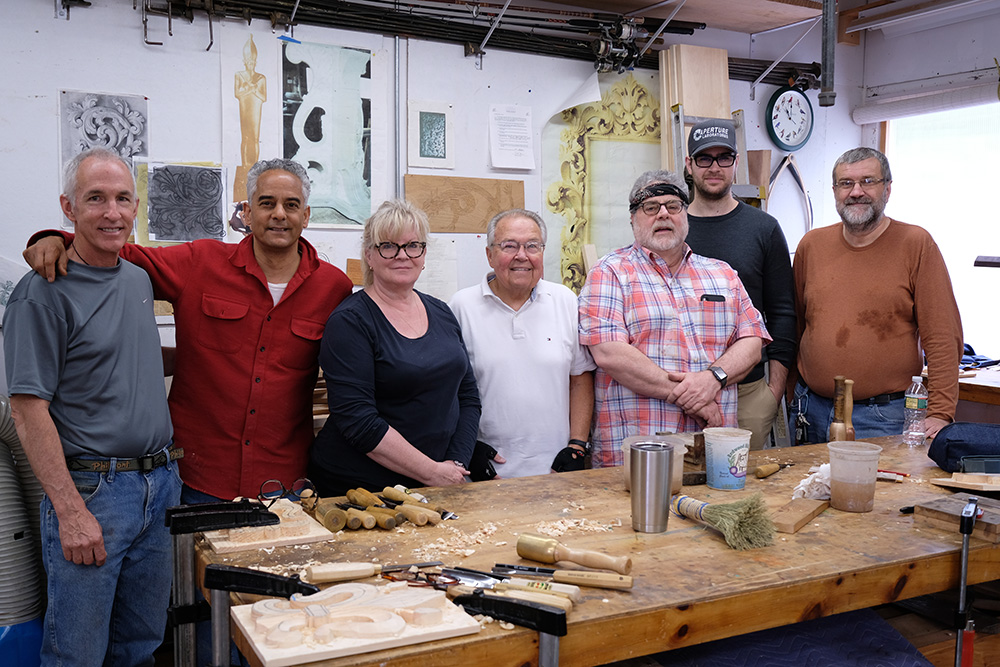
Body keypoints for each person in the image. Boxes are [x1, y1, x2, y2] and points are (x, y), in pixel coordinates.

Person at [22, 158, 354, 503]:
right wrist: (57, 238)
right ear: (248, 211)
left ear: (307, 215)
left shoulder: (334, 289)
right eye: (267, 203)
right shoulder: (201, 263)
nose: (279, 214)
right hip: (193, 479)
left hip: (285, 482)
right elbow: (121, 252)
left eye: (292, 205)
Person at [4, 148, 181, 665]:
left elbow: (124, 361)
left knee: (141, 645)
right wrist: (70, 512)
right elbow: (26, 409)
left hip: (160, 484)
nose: (112, 212)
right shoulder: (42, 293)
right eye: (95, 199)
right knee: (76, 654)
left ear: (135, 205)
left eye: (123, 199)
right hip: (94, 492)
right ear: (68, 207)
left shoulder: (137, 280)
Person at [578, 170, 771, 468]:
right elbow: (609, 353)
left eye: (673, 205)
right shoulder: (610, 272)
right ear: (633, 219)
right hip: (637, 451)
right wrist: (696, 399)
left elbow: (752, 341)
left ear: (686, 215)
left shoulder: (723, 274)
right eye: (651, 207)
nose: (663, 214)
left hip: (713, 450)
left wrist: (712, 379)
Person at [790, 147, 963, 443]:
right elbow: (796, 326)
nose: (856, 191)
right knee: (804, 490)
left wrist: (940, 411)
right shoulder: (811, 245)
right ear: (834, 191)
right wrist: (791, 396)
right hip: (812, 410)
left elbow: (943, 336)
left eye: (868, 181)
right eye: (846, 183)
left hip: (884, 417)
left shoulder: (916, 244)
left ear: (887, 188)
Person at [308, 199, 480, 495]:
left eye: (413, 246)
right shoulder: (350, 322)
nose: (403, 256)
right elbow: (358, 422)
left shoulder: (441, 311)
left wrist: (455, 463)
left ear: (424, 254)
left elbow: (468, 396)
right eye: (388, 246)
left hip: (435, 481)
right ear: (369, 256)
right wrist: (433, 472)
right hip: (360, 489)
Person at [449, 209, 596, 477]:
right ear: (489, 255)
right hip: (488, 472)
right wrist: (466, 448)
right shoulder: (460, 306)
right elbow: (450, 391)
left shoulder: (565, 300)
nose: (522, 255)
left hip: (556, 470)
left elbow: (580, 378)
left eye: (532, 246)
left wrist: (577, 445)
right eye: (509, 246)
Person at [683, 119, 796, 450]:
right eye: (704, 158)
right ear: (689, 165)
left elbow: (782, 313)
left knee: (738, 493)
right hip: (680, 394)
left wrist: (772, 393)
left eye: (724, 158)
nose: (714, 167)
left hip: (747, 393)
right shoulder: (672, 228)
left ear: (736, 164)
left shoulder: (764, 229)